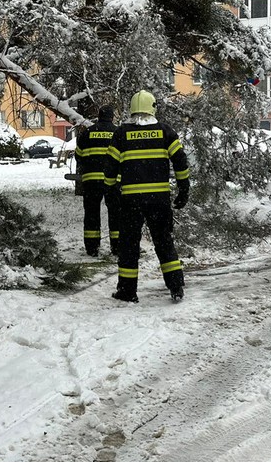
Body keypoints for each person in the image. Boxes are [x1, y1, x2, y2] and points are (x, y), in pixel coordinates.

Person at [103, 90, 190, 303]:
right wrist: (183, 189)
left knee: (129, 245)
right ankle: (176, 286)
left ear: (132, 108)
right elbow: (180, 161)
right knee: (163, 241)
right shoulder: (165, 132)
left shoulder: (122, 133)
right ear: (153, 107)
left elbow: (110, 168)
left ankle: (127, 290)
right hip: (159, 200)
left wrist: (110, 191)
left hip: (131, 201)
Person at [75, 105, 121, 257]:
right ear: (112, 117)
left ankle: (92, 248)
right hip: (113, 181)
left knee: (92, 213)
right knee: (116, 213)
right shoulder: (117, 133)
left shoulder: (87, 133)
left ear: (99, 116)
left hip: (91, 180)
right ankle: (117, 247)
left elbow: (78, 156)